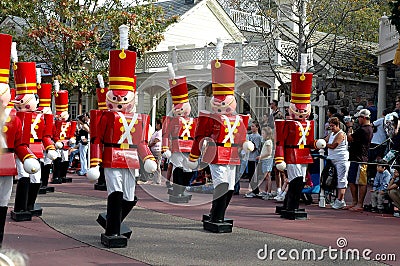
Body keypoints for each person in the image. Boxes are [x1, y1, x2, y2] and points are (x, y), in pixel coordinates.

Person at [87, 26, 157, 248]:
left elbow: (142, 143)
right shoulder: (104, 116)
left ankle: (110, 221)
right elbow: (96, 139)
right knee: (115, 193)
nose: (118, 103)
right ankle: (113, 231)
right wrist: (95, 163)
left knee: (129, 197)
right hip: (111, 155)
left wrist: (148, 158)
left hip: (131, 160)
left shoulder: (140, 118)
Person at [187, 46, 253, 232]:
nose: (221, 104)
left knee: (230, 187)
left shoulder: (240, 119)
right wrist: (194, 156)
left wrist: (246, 143)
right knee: (221, 185)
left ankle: (218, 212)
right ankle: (217, 216)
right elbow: (200, 137)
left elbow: (241, 137)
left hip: (232, 154)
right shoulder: (209, 118)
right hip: (215, 153)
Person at [274, 56, 326, 220]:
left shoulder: (309, 124)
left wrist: (316, 143)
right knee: (296, 180)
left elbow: (309, 142)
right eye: (299, 110)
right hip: (291, 154)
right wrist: (279, 158)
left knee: (300, 181)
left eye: (304, 110)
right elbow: (280, 141)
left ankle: (289, 204)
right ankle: (291, 206)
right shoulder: (287, 123)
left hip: (305, 155)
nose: (302, 113)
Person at [0, 33, 39, 247]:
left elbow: (19, 144)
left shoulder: (14, 119)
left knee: (1, 204)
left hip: (5, 164)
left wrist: (27, 156)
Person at [12, 58, 58, 221]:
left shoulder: (41, 117)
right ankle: (20, 207)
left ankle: (30, 204)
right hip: (21, 150)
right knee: (23, 177)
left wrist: (51, 147)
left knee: (35, 179)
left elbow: (45, 135)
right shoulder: (14, 117)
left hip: (36, 150)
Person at [162, 66, 197, 202]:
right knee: (178, 169)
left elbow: (198, 135)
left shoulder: (194, 121)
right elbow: (165, 134)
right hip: (177, 147)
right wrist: (165, 148)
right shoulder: (172, 120)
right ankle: (177, 191)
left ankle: (182, 189)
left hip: (190, 147)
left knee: (188, 171)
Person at [345, 108, 373, 211]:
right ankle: (355, 202)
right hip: (355, 157)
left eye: (360, 118)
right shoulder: (365, 129)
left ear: (364, 118)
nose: (358, 120)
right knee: (352, 180)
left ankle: (359, 203)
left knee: (361, 182)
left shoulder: (365, 129)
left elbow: (350, 137)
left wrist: (350, 127)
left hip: (360, 158)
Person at [325, 117, 350, 210]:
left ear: (337, 125)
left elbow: (333, 145)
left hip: (341, 160)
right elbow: (325, 140)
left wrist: (323, 145)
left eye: (332, 126)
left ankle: (340, 200)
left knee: (341, 179)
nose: (331, 128)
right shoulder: (331, 133)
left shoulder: (341, 134)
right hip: (332, 160)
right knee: (330, 179)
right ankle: (337, 199)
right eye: (330, 126)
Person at [244, 121, 263, 198]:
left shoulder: (258, 137)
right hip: (249, 157)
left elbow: (256, 147)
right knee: (250, 175)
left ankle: (256, 191)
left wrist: (249, 147)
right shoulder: (249, 135)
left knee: (253, 175)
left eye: (253, 126)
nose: (252, 128)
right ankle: (253, 190)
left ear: (257, 127)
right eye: (251, 126)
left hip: (254, 158)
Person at [259, 127, 274, 200]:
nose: (262, 135)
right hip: (265, 160)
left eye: (263, 133)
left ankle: (268, 192)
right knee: (268, 176)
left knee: (267, 177)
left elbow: (268, 152)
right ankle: (266, 191)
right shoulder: (267, 141)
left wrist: (260, 157)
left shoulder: (268, 142)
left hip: (267, 160)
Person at [148, 119, 162, 184]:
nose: (156, 125)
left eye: (157, 124)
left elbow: (155, 141)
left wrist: (149, 145)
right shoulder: (157, 132)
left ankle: (158, 180)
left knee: (157, 165)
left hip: (157, 150)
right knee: (154, 165)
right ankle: (155, 179)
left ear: (159, 125)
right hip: (154, 150)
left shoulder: (160, 132)